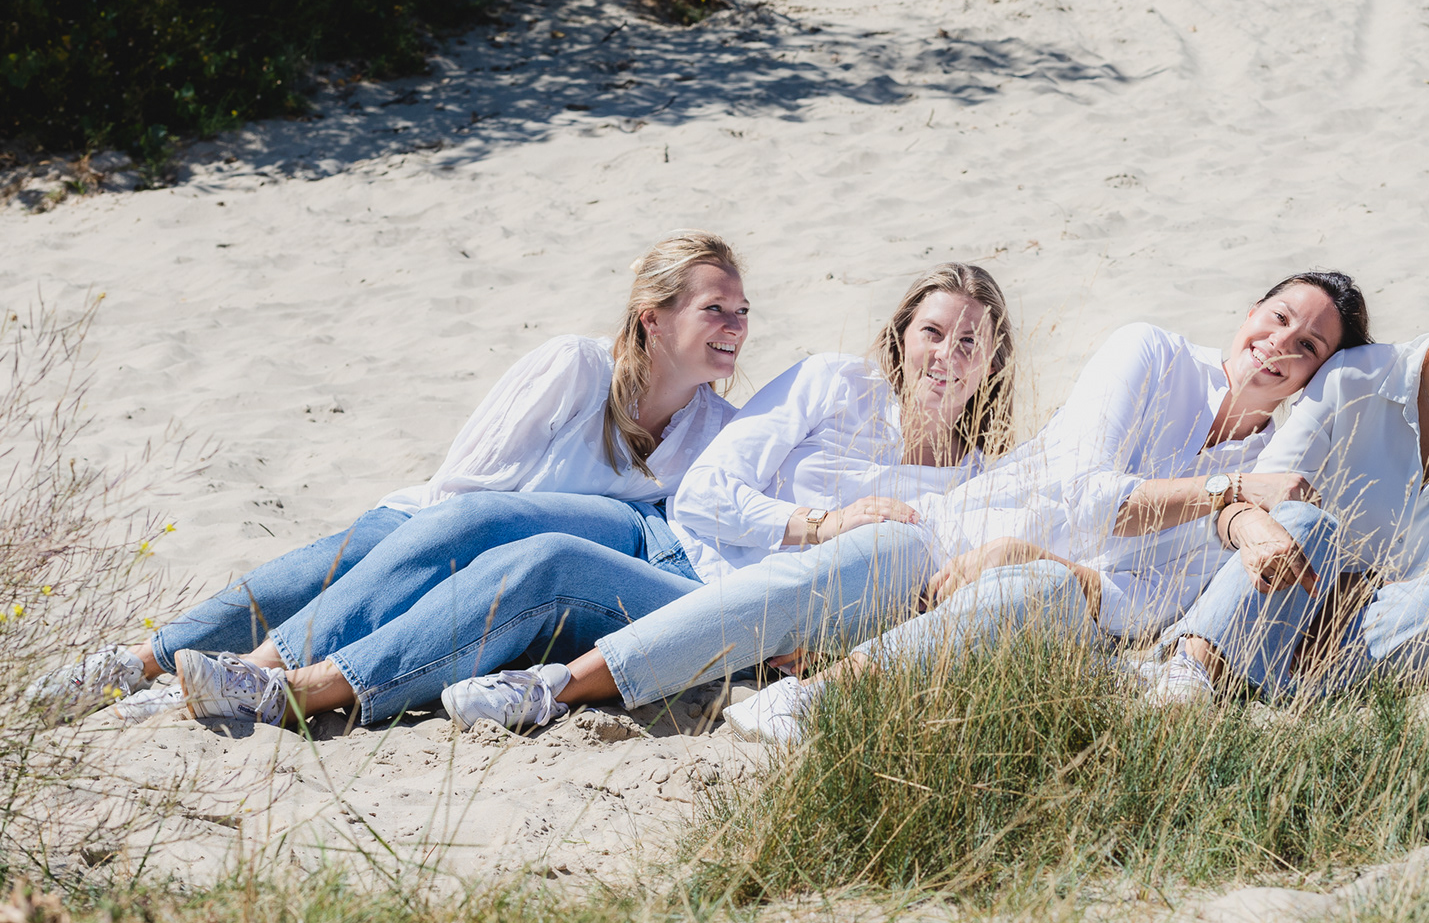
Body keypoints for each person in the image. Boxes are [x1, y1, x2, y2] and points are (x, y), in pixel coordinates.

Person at [170, 262, 1020, 728]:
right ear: (901, 339)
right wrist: (817, 521)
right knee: (470, 517)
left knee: (546, 564)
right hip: (668, 532)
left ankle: (307, 689)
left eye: (969, 342)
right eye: (932, 333)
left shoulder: (978, 482)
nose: (947, 355)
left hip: (710, 595)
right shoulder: (834, 385)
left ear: (993, 362)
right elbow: (710, 490)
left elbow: (918, 595)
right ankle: (237, 662)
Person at [35, 230, 748, 721]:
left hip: (512, 574)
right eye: (714, 309)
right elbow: (463, 492)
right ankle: (139, 663)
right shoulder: (576, 368)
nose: (735, 326)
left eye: (742, 313)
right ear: (653, 319)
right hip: (441, 523)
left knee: (404, 579)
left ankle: (250, 678)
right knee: (342, 561)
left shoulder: (713, 431)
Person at [708, 271, 1375, 742]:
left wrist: (1040, 563)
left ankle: (805, 700)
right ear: (1250, 311)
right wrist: (1223, 497)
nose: (1281, 343)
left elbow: (1147, 601)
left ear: (1320, 375)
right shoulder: (1154, 355)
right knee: (680, 619)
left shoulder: (1267, 471)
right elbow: (1086, 498)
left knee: (1036, 588)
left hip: (1039, 608)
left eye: (1309, 345)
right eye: (1279, 317)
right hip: (935, 554)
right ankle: (781, 686)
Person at [1139, 230, 1429, 706]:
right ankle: (1199, 666)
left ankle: (1249, 680)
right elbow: (1261, 493)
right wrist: (1261, 531)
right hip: (1287, 587)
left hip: (1381, 623)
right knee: (1300, 521)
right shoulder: (1352, 374)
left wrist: (1360, 593)